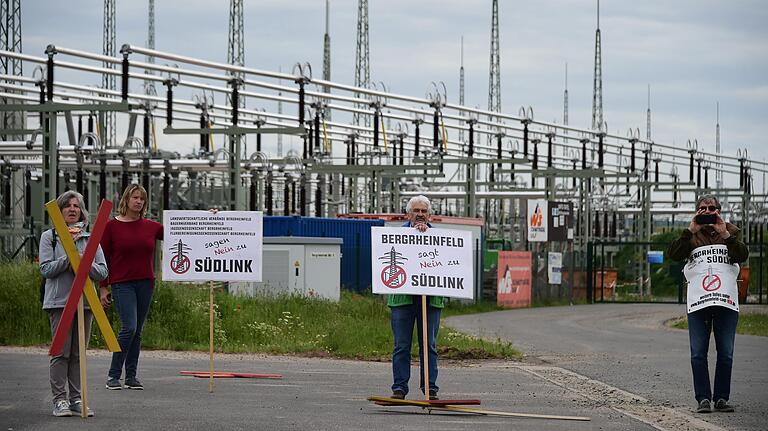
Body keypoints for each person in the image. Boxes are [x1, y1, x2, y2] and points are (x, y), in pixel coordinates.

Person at [668, 194, 748, 413]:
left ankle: (721, 398)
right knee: (697, 353)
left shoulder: (731, 232)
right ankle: (703, 398)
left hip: (726, 302)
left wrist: (725, 234)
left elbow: (742, 254)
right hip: (699, 302)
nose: (707, 212)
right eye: (703, 208)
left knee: (726, 353)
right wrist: (690, 231)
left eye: (712, 208)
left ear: (719, 211)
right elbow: (673, 254)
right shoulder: (691, 236)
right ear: (696, 211)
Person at [39, 190, 108, 417]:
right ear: (59, 211)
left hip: (85, 303)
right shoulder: (50, 237)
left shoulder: (90, 239)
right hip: (60, 302)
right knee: (61, 352)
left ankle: (77, 398)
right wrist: (69, 259)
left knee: (79, 354)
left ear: (82, 211)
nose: (72, 209)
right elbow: (46, 269)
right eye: (67, 205)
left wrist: (84, 263)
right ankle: (59, 400)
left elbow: (103, 270)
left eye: (76, 205)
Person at [100, 184, 163, 390]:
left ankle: (131, 377)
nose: (138, 201)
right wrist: (103, 287)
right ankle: (113, 375)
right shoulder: (111, 227)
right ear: (126, 200)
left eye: (142, 199)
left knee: (137, 332)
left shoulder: (151, 226)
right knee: (129, 327)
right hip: (121, 283)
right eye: (135, 197)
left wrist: (210, 216)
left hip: (146, 282)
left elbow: (182, 230)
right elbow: (103, 259)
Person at [388, 195, 445, 400]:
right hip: (402, 299)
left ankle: (430, 388)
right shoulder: (397, 235)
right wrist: (413, 234)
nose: (420, 215)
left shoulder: (441, 237)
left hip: (430, 300)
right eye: (416, 211)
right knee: (401, 345)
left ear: (429, 215)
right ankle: (399, 388)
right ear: (408, 214)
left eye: (423, 211)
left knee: (428, 345)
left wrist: (426, 235)